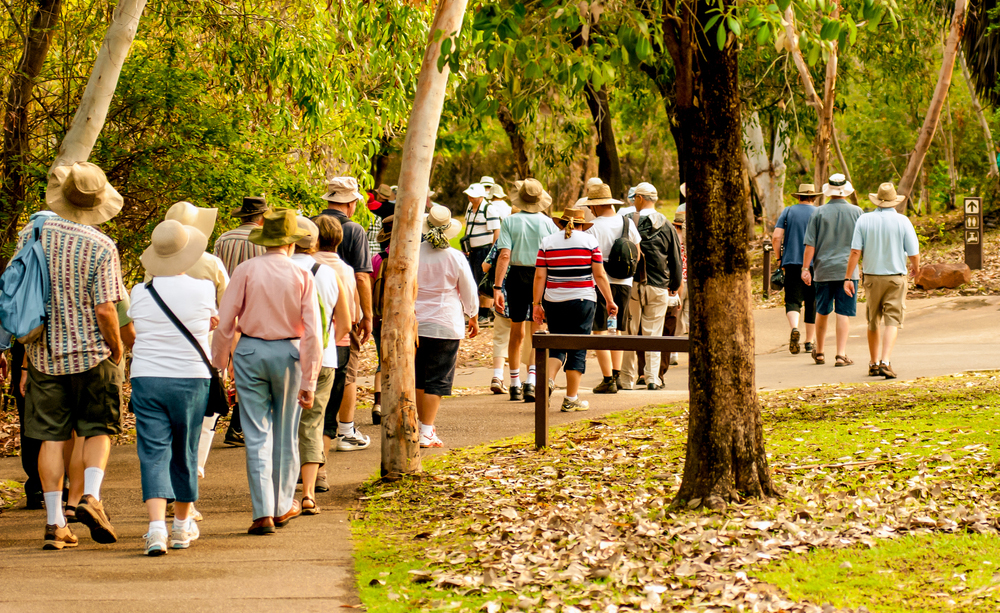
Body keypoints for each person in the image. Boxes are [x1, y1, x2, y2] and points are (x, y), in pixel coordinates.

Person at [20, 162, 126, 550]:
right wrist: (116, 348)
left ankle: (54, 523)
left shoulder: (32, 235)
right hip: (91, 355)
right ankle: (90, 498)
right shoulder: (101, 246)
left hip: (44, 354)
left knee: (51, 437)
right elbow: (105, 309)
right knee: (98, 429)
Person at [211, 208, 323, 535]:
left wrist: (220, 365)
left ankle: (262, 512)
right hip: (289, 352)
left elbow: (225, 320)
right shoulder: (303, 275)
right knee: (287, 430)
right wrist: (309, 379)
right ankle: (281, 505)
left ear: (264, 241)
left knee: (256, 432)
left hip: (250, 351)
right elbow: (313, 331)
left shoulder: (245, 270)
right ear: (290, 243)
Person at [129, 220, 216, 555]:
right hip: (191, 377)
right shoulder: (204, 288)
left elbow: (138, 323)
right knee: (186, 448)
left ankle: (155, 530)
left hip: (147, 376)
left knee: (152, 451)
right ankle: (180, 527)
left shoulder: (139, 291)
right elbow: (212, 321)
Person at [147, 201, 230, 494]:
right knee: (203, 423)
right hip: (203, 354)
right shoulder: (211, 263)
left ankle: (168, 481)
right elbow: (229, 310)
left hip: (161, 354)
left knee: (166, 426)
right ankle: (191, 477)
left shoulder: (152, 267)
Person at [289, 216, 351, 515]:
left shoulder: (281, 269)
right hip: (324, 358)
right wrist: (328, 342)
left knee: (285, 425)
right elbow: (346, 322)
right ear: (314, 242)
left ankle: (283, 490)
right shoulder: (328, 273)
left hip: (286, 355)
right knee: (312, 424)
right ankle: (309, 493)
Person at [533, 208, 617, 412]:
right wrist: (609, 300)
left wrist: (536, 304)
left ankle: (549, 382)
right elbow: (599, 275)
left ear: (561, 223)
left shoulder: (547, 242)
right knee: (578, 348)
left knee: (557, 345)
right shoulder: (590, 242)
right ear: (581, 223)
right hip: (583, 300)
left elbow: (539, 277)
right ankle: (571, 398)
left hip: (554, 301)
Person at [415, 205, 479, 447]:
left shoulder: (415, 253)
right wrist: (472, 314)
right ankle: (427, 430)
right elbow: (469, 289)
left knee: (420, 377)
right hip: (445, 322)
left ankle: (423, 426)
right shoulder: (455, 257)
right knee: (438, 379)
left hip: (416, 322)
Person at [318, 177, 374, 451]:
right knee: (347, 371)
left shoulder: (311, 225)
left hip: (311, 313)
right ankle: (345, 430)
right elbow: (362, 277)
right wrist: (367, 315)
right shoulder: (354, 230)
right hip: (343, 313)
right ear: (351, 204)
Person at [844, 182, 920, 379]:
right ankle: (886, 361)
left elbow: (855, 251)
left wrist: (848, 277)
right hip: (895, 278)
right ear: (894, 202)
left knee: (873, 320)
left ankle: (873, 362)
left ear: (877, 200)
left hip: (871, 278)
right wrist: (916, 268)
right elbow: (913, 252)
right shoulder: (903, 221)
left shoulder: (864, 220)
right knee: (892, 319)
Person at [492, 179, 559, 403]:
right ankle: (531, 381)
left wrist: (497, 287)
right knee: (537, 331)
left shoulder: (509, 221)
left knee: (516, 331)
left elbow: (504, 255)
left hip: (516, 277)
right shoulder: (549, 224)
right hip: (540, 276)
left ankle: (513, 383)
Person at [213, 195, 269, 447]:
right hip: (255, 309)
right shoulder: (264, 240)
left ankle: (217, 421)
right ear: (261, 217)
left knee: (225, 366)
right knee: (248, 368)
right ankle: (238, 425)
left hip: (226, 305)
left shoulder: (223, 239)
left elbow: (215, 272)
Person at [619, 182, 683, 391]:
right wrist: (674, 285)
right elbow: (675, 259)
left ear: (639, 198)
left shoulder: (627, 222)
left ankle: (627, 378)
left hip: (632, 285)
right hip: (658, 286)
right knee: (654, 333)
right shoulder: (666, 225)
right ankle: (652, 378)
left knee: (630, 333)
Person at [582, 182, 640, 394]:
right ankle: (616, 373)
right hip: (624, 282)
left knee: (599, 331)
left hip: (600, 283)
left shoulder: (593, 227)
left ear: (595, 206)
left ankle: (608, 379)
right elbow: (637, 253)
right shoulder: (627, 223)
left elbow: (589, 260)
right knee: (616, 330)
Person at [801, 174, 864, 367]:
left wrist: (805, 268)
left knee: (822, 310)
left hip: (824, 270)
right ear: (845, 190)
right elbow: (861, 245)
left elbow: (810, 245)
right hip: (848, 272)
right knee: (843, 312)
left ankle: (819, 352)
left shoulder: (818, 213)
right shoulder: (857, 212)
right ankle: (840, 354)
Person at [772, 184, 820, 356]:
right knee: (812, 301)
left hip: (791, 263)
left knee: (793, 299)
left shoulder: (788, 211)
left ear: (798, 196)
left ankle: (794, 328)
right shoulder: (818, 212)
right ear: (813, 197)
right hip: (815, 263)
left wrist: (779, 259)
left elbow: (777, 237)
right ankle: (809, 341)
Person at [462, 183, 500, 327]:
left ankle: (485, 313)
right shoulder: (470, 207)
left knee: (484, 280)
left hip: (484, 250)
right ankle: (477, 312)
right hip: (472, 250)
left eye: (473, 196)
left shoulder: (488, 209)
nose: (470, 198)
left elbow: (496, 230)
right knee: (474, 280)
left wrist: (493, 252)